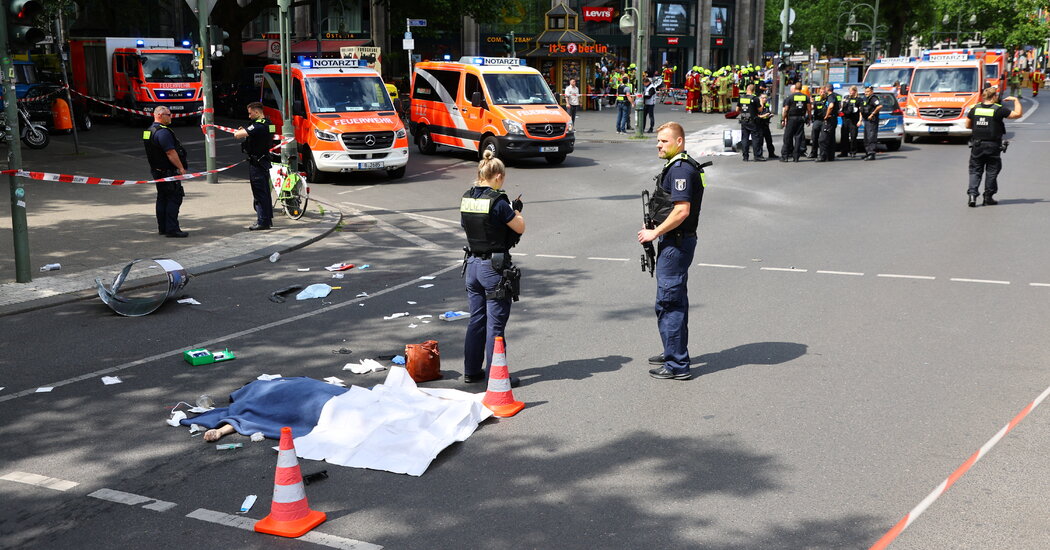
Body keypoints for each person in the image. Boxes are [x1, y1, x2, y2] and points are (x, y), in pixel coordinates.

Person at [638, 122, 706, 380]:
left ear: (679, 142)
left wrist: (654, 232)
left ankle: (677, 365)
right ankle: (672, 350)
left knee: (670, 302)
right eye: (658, 141)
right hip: (677, 240)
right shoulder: (680, 165)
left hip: (676, 243)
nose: (659, 144)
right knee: (673, 300)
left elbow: (681, 210)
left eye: (664, 141)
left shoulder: (680, 170)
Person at [460, 150, 525, 385]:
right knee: (495, 325)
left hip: (472, 266)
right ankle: (495, 377)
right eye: (503, 177)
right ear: (497, 176)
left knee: (476, 320)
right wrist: (516, 210)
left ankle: (471, 371)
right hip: (493, 267)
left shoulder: (467, 197)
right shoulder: (498, 201)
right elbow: (519, 228)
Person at [965, 86, 1022, 207]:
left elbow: (967, 125)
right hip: (993, 146)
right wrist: (1016, 100)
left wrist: (979, 127)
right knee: (991, 171)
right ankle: (988, 197)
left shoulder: (975, 108)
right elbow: (1018, 114)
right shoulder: (999, 109)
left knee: (975, 170)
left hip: (977, 145)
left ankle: (972, 196)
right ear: (994, 97)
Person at [143, 106, 188, 238]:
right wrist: (181, 168)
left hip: (157, 171)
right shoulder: (163, 132)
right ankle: (172, 229)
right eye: (168, 114)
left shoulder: (148, 130)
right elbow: (170, 152)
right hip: (168, 172)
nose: (171, 117)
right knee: (174, 198)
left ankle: (163, 227)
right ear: (160, 115)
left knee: (162, 198)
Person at [233, 102, 276, 230]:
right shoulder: (269, 124)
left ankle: (262, 221)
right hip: (264, 160)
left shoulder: (258, 126)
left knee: (259, 193)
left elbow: (237, 135)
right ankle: (267, 219)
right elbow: (270, 136)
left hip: (257, 163)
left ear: (257, 112)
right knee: (265, 192)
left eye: (250, 113)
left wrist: (240, 132)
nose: (249, 115)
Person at [780, 84, 810, 162]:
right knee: (798, 137)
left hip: (791, 118)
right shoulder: (805, 97)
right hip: (801, 118)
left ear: (795, 88)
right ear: (801, 88)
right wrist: (809, 119)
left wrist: (783, 119)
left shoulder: (790, 97)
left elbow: (786, 110)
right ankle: (796, 157)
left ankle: (785, 156)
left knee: (787, 137)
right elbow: (809, 109)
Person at [737, 84, 762, 161]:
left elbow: (737, 109)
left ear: (747, 89)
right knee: (755, 139)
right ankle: (757, 156)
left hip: (744, 119)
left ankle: (745, 157)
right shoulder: (755, 98)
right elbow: (760, 110)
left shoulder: (741, 98)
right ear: (753, 90)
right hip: (753, 121)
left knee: (745, 139)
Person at [817, 84, 840, 162]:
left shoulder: (831, 96)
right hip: (833, 119)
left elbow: (831, 106)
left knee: (823, 139)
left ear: (827, 89)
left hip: (829, 120)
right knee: (830, 138)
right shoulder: (833, 96)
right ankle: (830, 156)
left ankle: (822, 156)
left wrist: (826, 115)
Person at [859, 85, 883, 161]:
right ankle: (867, 153)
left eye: (868, 91)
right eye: (865, 91)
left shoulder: (873, 98)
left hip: (872, 120)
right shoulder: (865, 99)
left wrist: (872, 114)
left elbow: (879, 106)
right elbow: (862, 109)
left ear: (872, 91)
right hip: (866, 120)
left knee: (871, 137)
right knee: (866, 137)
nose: (866, 93)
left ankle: (871, 154)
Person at [838, 86, 861, 158]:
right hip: (845, 120)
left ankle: (853, 152)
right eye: (849, 91)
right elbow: (841, 108)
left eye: (851, 91)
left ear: (855, 91)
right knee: (844, 136)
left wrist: (860, 120)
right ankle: (844, 152)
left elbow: (860, 111)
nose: (850, 92)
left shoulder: (858, 99)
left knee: (853, 137)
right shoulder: (846, 98)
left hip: (853, 120)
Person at [755, 93, 778, 159]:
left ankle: (771, 154)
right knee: (760, 141)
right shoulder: (758, 106)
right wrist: (764, 116)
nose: (765, 99)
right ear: (760, 99)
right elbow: (757, 116)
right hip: (760, 125)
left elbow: (768, 112)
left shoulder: (767, 105)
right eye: (763, 98)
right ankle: (760, 155)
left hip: (766, 125)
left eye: (766, 98)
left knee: (769, 141)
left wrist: (770, 115)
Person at [808, 87, 827, 159]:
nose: (822, 93)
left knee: (823, 138)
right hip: (817, 120)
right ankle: (813, 153)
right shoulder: (816, 99)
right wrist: (811, 103)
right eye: (821, 92)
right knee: (814, 137)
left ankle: (822, 154)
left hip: (824, 120)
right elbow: (812, 107)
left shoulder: (827, 99)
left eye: (824, 92)